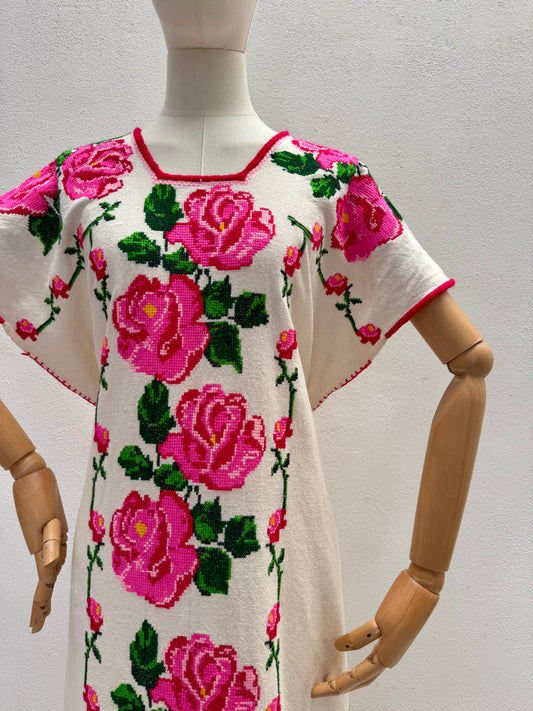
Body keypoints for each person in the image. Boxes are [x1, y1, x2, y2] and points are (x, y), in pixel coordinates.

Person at [0, 1, 493, 709]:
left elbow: (469, 362)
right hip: (127, 561)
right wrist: (26, 465)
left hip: (275, 557)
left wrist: (425, 574)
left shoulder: (325, 185)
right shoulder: (82, 183)